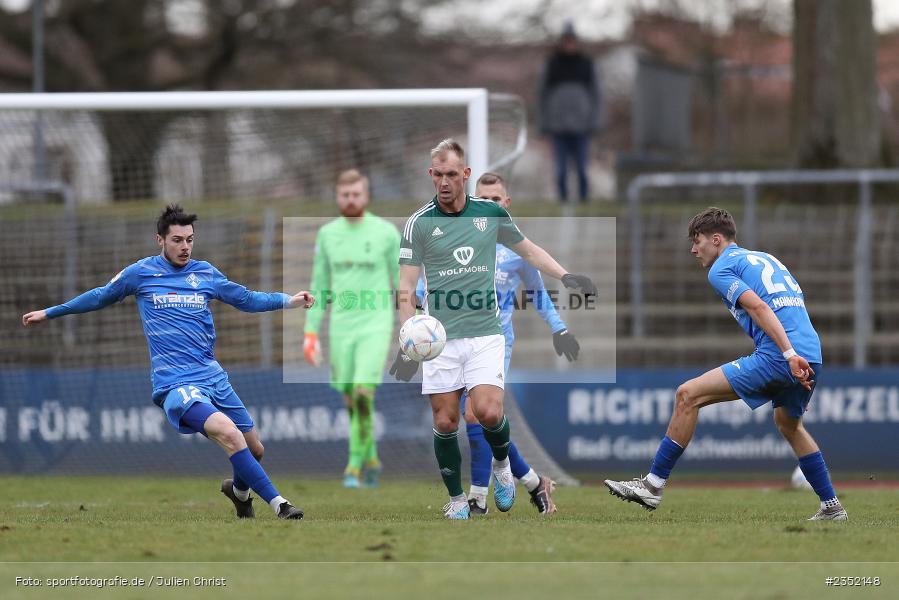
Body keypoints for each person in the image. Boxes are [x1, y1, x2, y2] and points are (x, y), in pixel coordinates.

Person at [21, 205, 313, 520]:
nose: (184, 246)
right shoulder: (141, 273)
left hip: (213, 376)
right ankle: (280, 505)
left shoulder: (205, 273)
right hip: (175, 383)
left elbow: (245, 298)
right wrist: (50, 312)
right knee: (230, 434)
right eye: (177, 240)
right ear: (160, 240)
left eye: (189, 239)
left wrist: (289, 300)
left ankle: (240, 494)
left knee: (255, 450)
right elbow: (99, 296)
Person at [393, 139, 596, 519]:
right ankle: (458, 502)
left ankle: (503, 466)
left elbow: (531, 252)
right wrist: (409, 335)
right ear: (430, 175)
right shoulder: (419, 223)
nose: (444, 182)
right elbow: (406, 288)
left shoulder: (490, 215)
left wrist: (567, 275)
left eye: (452, 174)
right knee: (445, 421)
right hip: (440, 340)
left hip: (486, 334)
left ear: (465, 175)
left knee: (486, 413)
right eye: (438, 175)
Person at [604, 207, 847, 521]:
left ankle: (652, 486)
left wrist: (787, 354)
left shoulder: (720, 269)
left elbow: (759, 307)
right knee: (789, 425)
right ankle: (831, 506)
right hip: (811, 351)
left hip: (782, 354)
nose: (694, 249)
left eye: (698, 240)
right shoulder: (766, 258)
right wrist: (797, 354)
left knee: (687, 395)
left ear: (716, 239)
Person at [303, 169, 401, 488]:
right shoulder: (327, 234)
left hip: (376, 322)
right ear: (337, 197)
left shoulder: (386, 233)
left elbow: (401, 282)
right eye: (345, 195)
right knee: (350, 399)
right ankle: (371, 456)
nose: (351, 200)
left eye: (356, 194)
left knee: (363, 391)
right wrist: (310, 332)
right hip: (341, 325)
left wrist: (412, 321)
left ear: (366, 195)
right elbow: (319, 286)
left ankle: (354, 465)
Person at [537, 21, 601, 203]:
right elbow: (542, 95)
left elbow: (597, 94)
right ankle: (563, 203)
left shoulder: (587, 64)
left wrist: (594, 121)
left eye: (572, 40)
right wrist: (544, 124)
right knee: (560, 170)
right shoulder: (552, 64)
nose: (569, 44)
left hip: (581, 127)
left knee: (582, 169)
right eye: (566, 41)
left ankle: (583, 201)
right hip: (558, 128)